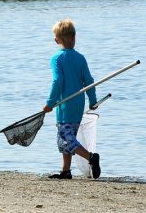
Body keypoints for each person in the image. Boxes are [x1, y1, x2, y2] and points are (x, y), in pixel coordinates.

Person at [43, 19, 101, 179]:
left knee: (65, 138)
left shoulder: (57, 59)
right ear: (74, 37)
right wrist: (92, 100)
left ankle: (91, 157)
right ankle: (66, 170)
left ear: (57, 40)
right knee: (68, 136)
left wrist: (50, 103)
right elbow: (89, 81)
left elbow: (57, 81)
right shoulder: (80, 58)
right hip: (78, 104)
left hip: (65, 105)